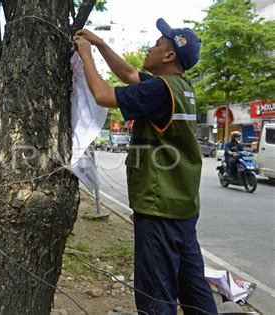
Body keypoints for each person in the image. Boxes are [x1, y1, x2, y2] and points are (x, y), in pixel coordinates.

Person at [74, 18, 217, 314]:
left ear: (168, 56)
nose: (149, 49)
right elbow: (127, 74)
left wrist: (85, 53)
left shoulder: (159, 90)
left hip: (158, 207)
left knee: (156, 294)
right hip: (183, 206)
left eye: (156, 45)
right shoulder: (181, 88)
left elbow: (103, 96)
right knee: (193, 288)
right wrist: (99, 44)